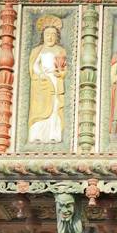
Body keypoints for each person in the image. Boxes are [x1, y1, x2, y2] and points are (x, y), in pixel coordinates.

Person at [28, 16, 67, 144]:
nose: (50, 37)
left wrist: (61, 73)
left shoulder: (60, 50)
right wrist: (40, 74)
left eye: (53, 35)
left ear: (57, 37)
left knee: (55, 107)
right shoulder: (37, 50)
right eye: (47, 34)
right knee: (39, 107)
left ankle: (53, 135)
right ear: (43, 36)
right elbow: (34, 65)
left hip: (55, 81)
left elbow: (63, 67)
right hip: (41, 83)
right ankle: (37, 135)